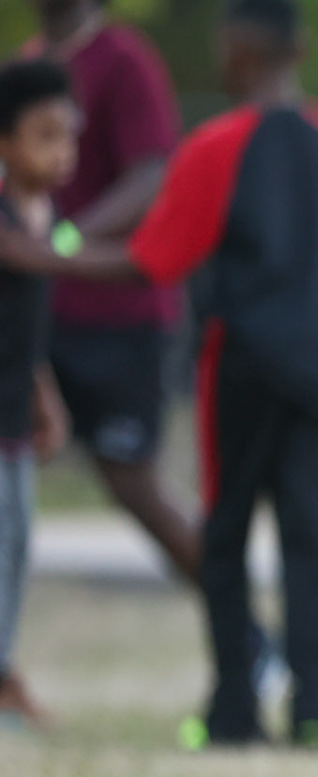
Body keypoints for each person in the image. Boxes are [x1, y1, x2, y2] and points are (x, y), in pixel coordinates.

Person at [0, 0, 318, 747]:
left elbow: (155, 259)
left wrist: (46, 254)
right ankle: (317, 712)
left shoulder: (217, 145)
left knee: (230, 534)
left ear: (236, 49)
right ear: (299, 50)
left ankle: (234, 710)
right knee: (312, 542)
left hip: (245, 367)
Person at [16, 0, 200, 586]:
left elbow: (152, 175)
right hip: (35, 318)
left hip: (118, 320)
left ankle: (244, 633)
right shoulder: (27, 66)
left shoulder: (124, 60)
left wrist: (63, 241)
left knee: (133, 483)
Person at [0, 61, 76, 728]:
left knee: (18, 545)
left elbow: (26, 331)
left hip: (13, 418)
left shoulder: (45, 215)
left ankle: (4, 673)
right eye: (44, 136)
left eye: (69, 137)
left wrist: (44, 393)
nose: (62, 153)